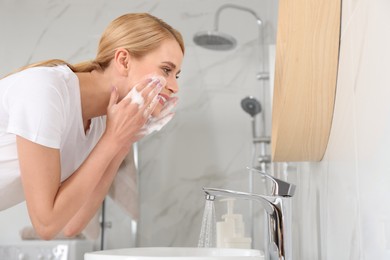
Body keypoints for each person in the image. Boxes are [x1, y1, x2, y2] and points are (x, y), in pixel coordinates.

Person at [0, 13, 184, 240]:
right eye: (166, 70)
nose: (174, 86)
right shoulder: (45, 91)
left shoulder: (98, 123)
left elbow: (71, 225)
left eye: (177, 74)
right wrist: (113, 139)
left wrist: (123, 140)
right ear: (124, 60)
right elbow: (45, 225)